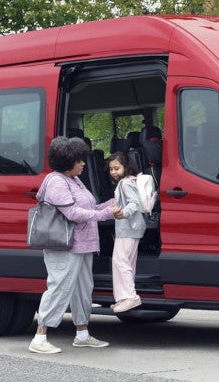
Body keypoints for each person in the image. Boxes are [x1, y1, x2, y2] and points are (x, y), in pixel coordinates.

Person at [28, 136, 122, 354]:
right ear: (66, 161)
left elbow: (90, 207)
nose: (83, 164)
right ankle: (39, 337)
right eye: (79, 160)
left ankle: (82, 334)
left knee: (82, 290)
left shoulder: (75, 179)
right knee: (59, 288)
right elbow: (72, 213)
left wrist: (112, 203)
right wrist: (106, 214)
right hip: (65, 246)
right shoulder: (56, 181)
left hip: (83, 244)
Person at [107, 151, 145, 313]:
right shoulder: (128, 182)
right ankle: (123, 298)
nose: (114, 172)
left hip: (128, 227)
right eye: (111, 169)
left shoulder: (125, 183)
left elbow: (134, 203)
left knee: (120, 261)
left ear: (126, 167)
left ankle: (130, 296)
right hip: (131, 228)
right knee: (127, 262)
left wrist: (123, 213)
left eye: (117, 168)